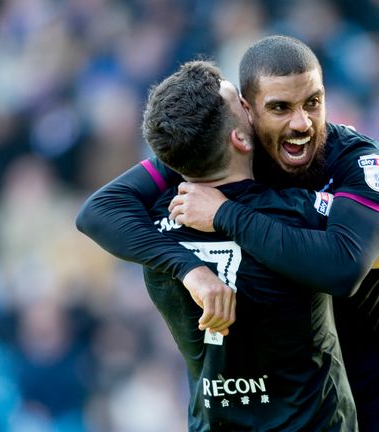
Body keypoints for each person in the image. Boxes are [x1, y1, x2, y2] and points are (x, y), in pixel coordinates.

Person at [76, 35, 379, 432]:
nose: (301, 123)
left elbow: (356, 261)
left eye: (313, 103)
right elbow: (98, 210)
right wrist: (189, 270)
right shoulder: (216, 148)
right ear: (246, 116)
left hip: (369, 408)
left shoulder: (357, 160)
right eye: (280, 108)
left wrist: (227, 215)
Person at [125, 59, 360, 431]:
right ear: (240, 136)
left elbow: (98, 211)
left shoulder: (149, 223)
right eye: (242, 104)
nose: (251, 110)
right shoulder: (301, 210)